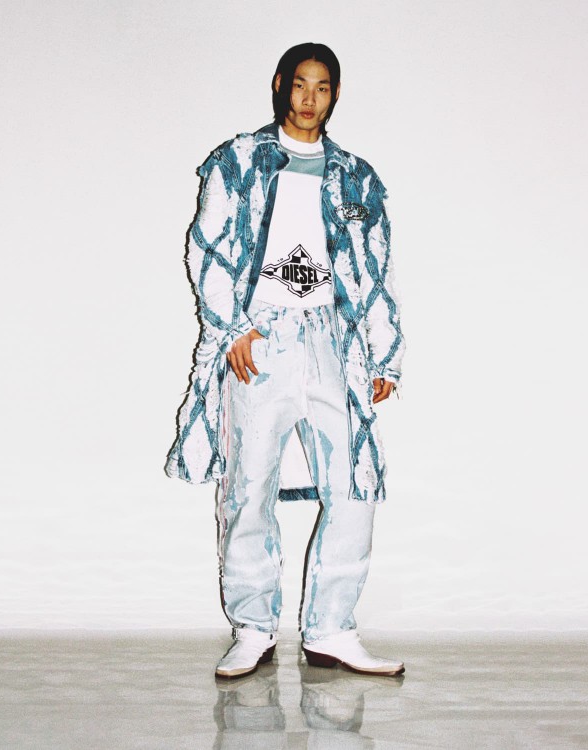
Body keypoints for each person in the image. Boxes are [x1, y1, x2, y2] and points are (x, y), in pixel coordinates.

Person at [165, 42, 406, 679]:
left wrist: (383, 355)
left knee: (352, 484)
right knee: (248, 487)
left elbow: (375, 267)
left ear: (335, 94)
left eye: (322, 87)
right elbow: (207, 247)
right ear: (280, 85)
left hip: (332, 341)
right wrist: (234, 328)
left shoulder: (355, 178)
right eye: (300, 84)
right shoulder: (239, 161)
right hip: (262, 338)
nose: (309, 98)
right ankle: (252, 629)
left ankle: (332, 631)